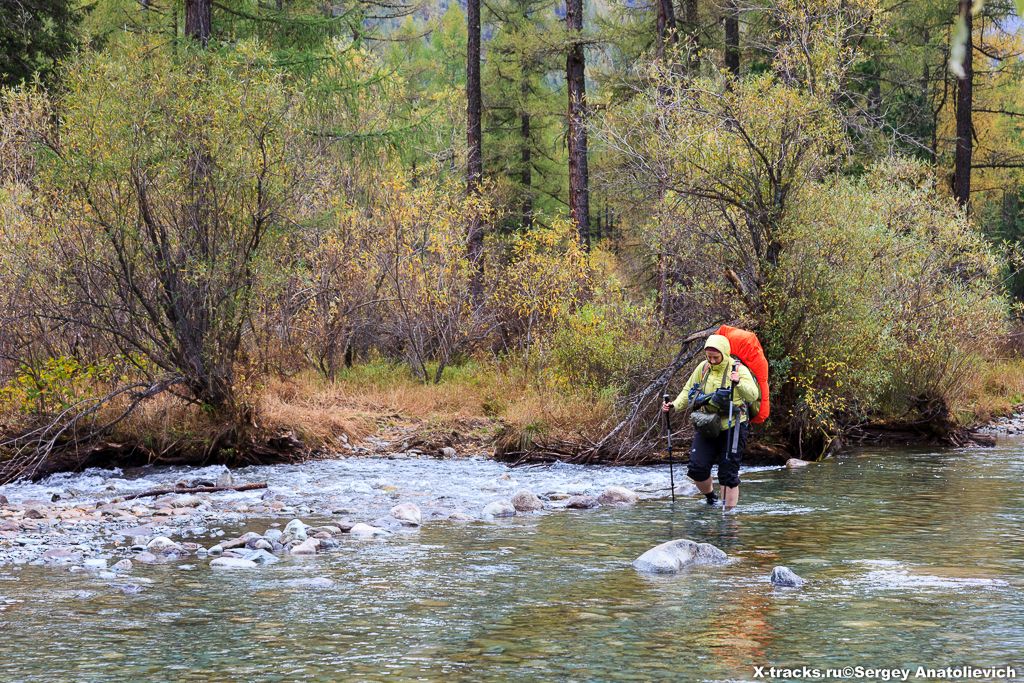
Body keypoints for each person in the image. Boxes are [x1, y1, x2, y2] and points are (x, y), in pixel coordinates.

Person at [662, 334, 759, 511]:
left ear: (725, 353)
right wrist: (674, 405)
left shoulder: (738, 369)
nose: (712, 360)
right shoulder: (703, 368)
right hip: (707, 424)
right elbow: (687, 391)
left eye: (716, 357)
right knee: (696, 468)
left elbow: (753, 395)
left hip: (733, 425)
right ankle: (711, 497)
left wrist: (738, 383)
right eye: (709, 357)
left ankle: (728, 518)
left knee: (728, 473)